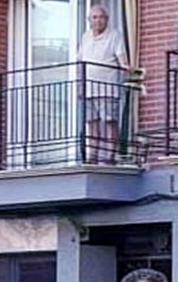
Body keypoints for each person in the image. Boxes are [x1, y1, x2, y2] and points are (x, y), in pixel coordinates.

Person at [77, 3, 130, 164]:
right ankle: (93, 155)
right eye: (94, 17)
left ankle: (109, 155)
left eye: (101, 17)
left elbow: (123, 61)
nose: (98, 21)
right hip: (89, 88)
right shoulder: (85, 37)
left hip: (107, 87)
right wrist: (79, 85)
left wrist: (130, 72)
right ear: (89, 20)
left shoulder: (115, 36)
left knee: (109, 121)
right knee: (92, 123)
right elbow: (80, 62)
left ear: (107, 19)